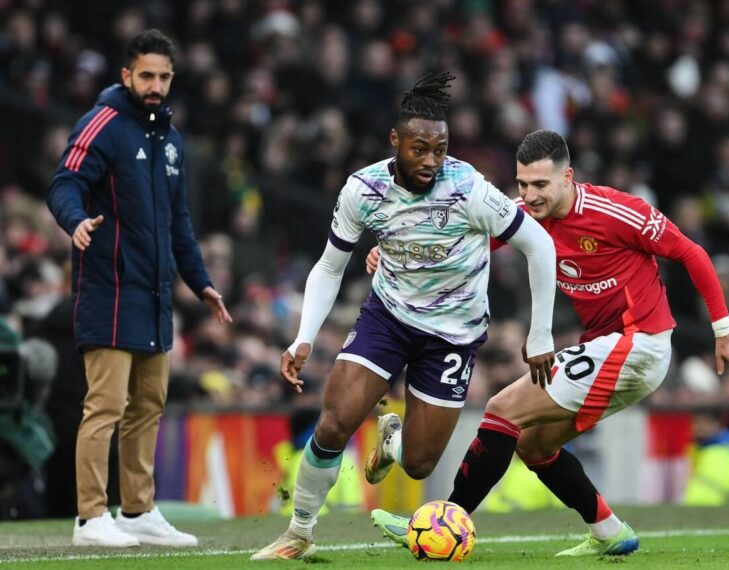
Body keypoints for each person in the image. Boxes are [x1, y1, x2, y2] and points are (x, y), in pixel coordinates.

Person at [368, 129, 729, 557]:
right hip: (610, 350)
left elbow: (691, 253)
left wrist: (724, 331)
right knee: (534, 445)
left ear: (567, 177)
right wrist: (393, 255)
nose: (530, 195)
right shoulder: (521, 216)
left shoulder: (617, 211)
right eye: (522, 184)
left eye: (540, 185)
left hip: (637, 343)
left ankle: (440, 522)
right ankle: (611, 532)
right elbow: (462, 244)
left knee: (502, 409)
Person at [251, 73, 557, 561]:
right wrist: (303, 337)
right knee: (333, 423)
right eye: (420, 149)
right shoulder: (363, 190)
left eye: (440, 149)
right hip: (388, 318)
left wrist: (540, 333)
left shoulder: (469, 189)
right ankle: (300, 532)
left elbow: (539, 245)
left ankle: (390, 443)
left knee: (418, 464)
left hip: (454, 337)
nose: (431, 160)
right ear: (396, 141)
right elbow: (330, 266)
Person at [47, 29, 232, 548]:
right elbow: (64, 182)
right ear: (126, 75)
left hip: (153, 295)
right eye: (146, 75)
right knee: (104, 405)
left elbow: (179, 222)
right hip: (108, 288)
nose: (155, 85)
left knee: (148, 405)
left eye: (164, 77)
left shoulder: (169, 140)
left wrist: (201, 283)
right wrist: (75, 220)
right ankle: (89, 517)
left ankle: (136, 510)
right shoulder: (103, 124)